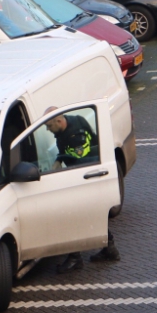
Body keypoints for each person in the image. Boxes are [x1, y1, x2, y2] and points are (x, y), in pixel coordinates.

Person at [43, 108, 121, 273]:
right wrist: (59, 159)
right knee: (91, 214)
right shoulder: (73, 124)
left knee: (75, 217)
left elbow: (83, 152)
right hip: (87, 175)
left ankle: (75, 258)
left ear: (59, 121)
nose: (48, 130)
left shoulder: (74, 131)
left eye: (49, 126)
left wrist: (61, 161)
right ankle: (109, 248)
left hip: (82, 178)